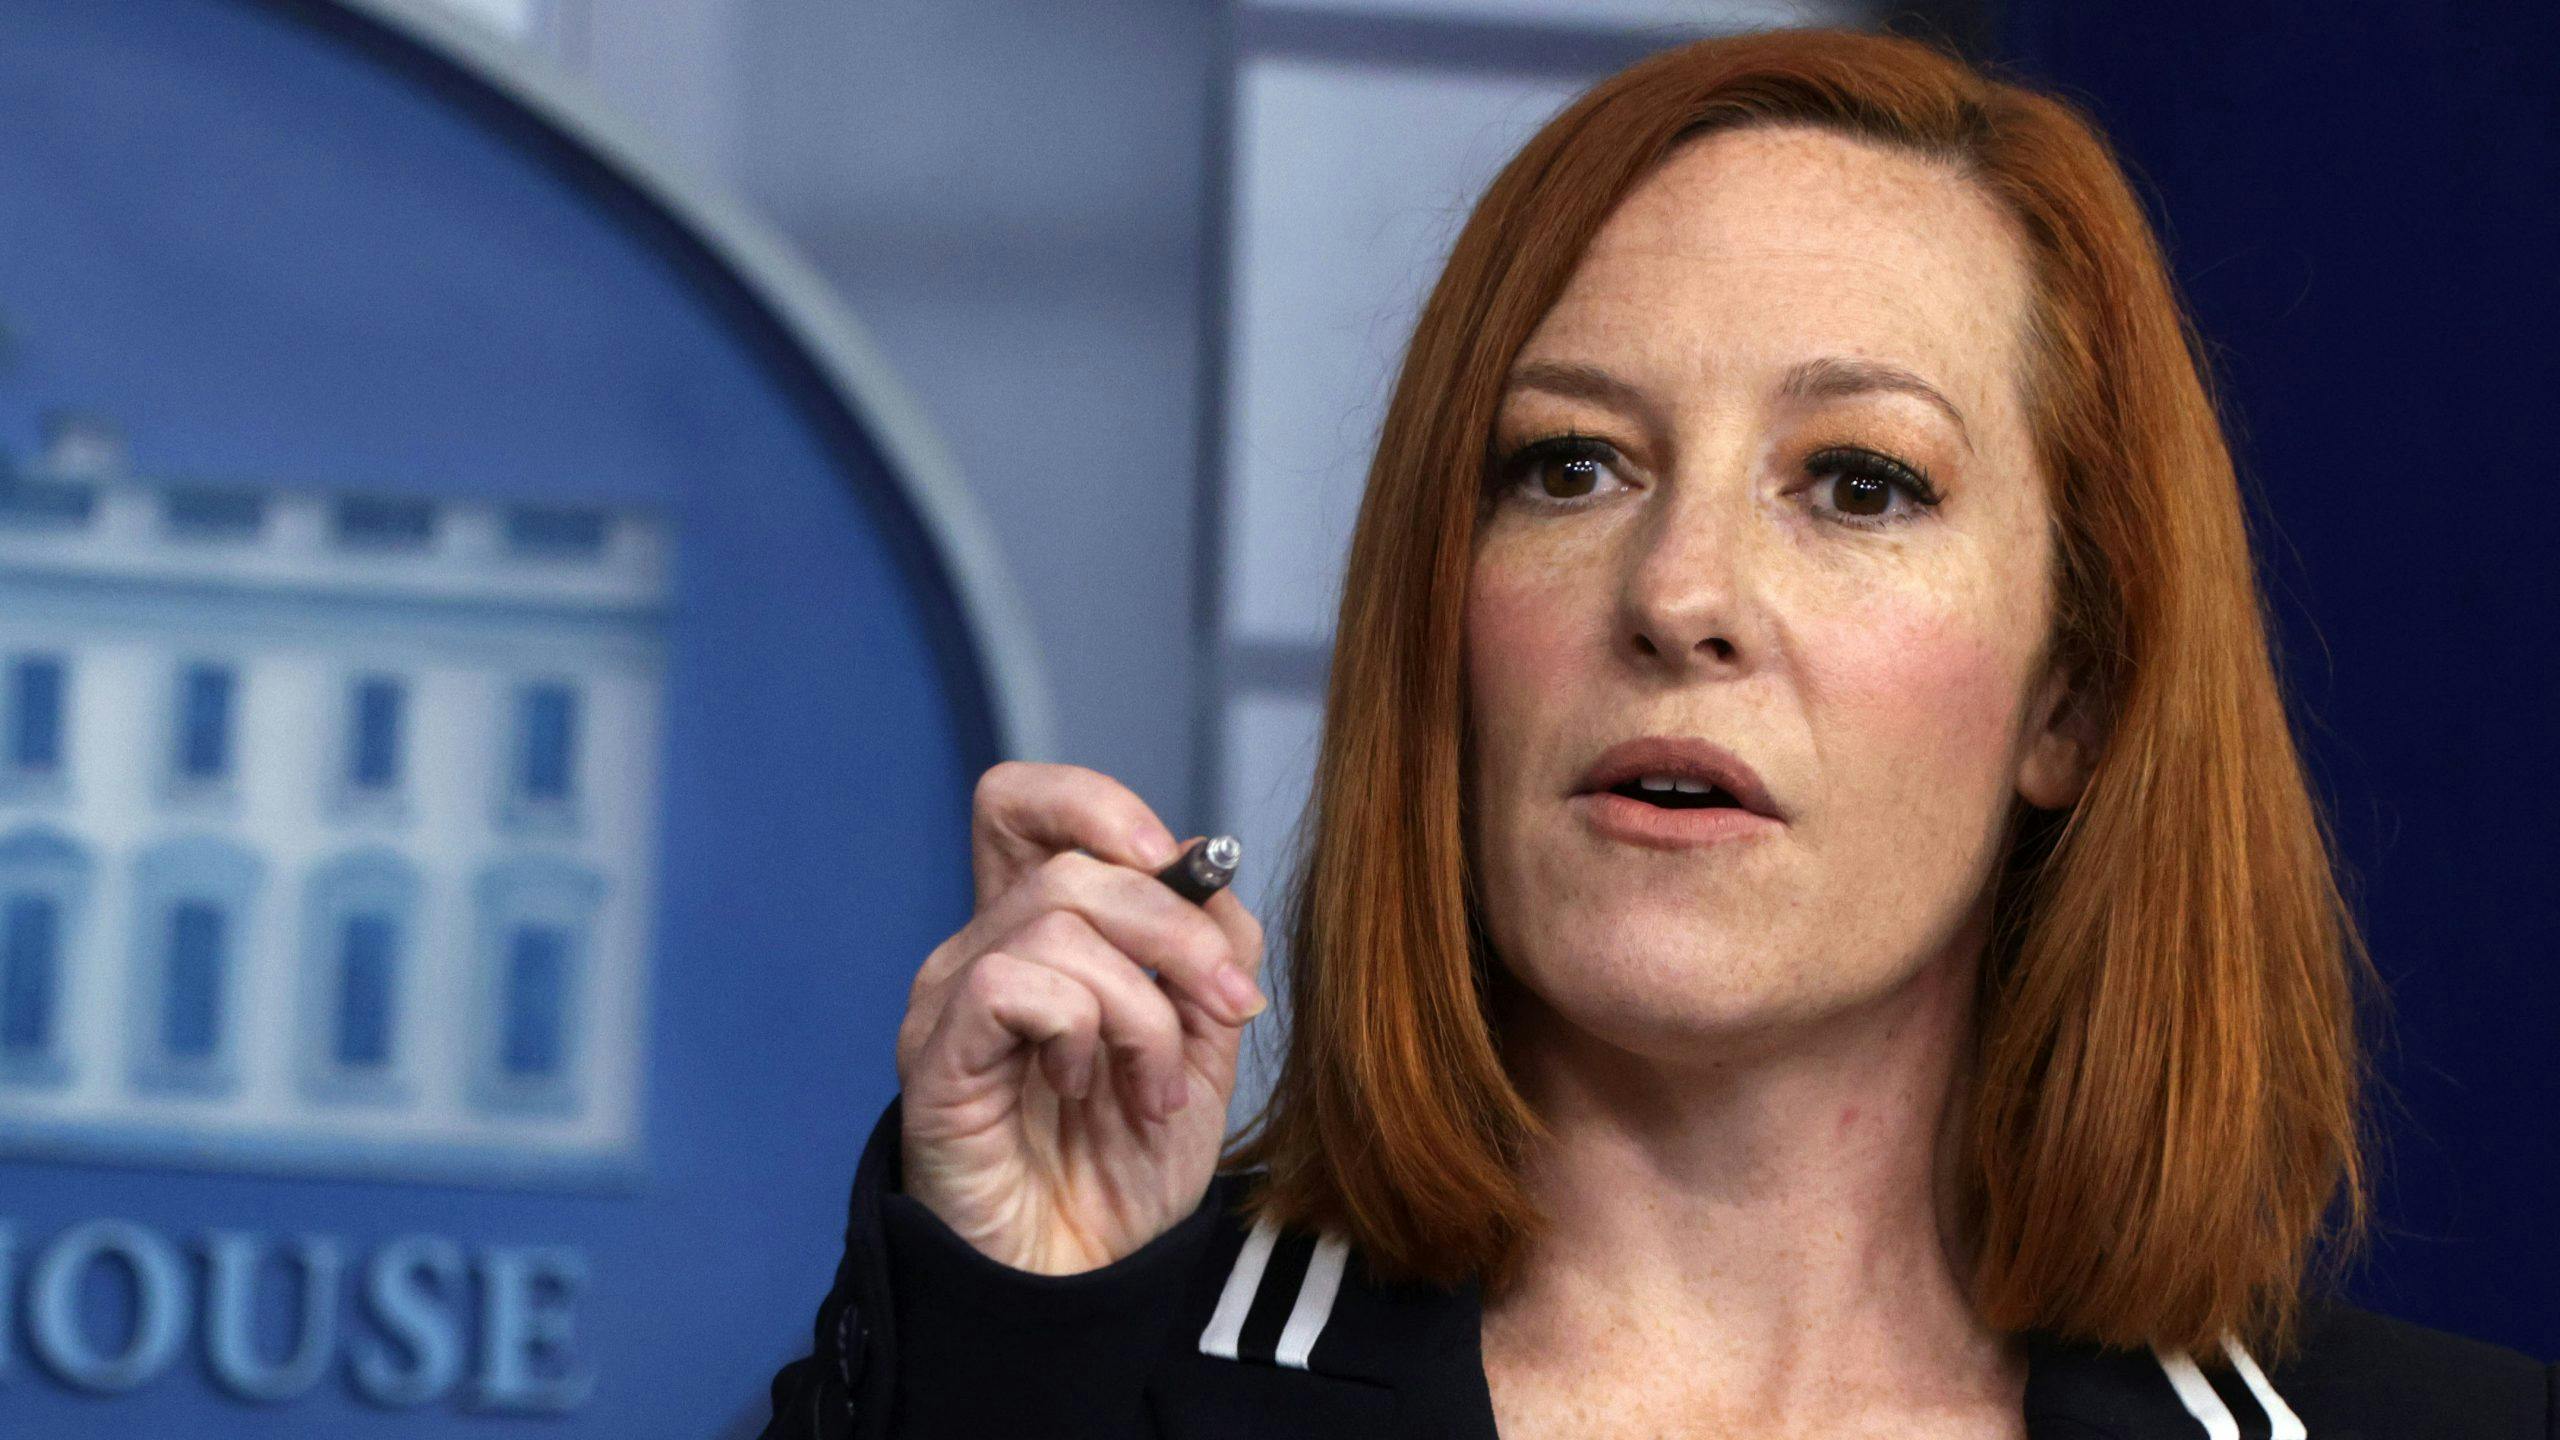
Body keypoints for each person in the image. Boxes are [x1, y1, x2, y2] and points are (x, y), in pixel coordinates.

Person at [759, 24, 2554, 1440]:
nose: (1679, 592)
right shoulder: (1062, 1375)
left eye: (1860, 483)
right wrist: (1013, 1358)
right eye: (1573, 466)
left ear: (2071, 696)